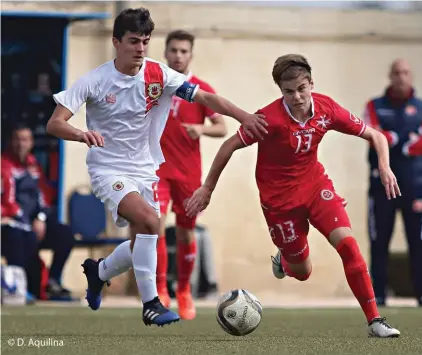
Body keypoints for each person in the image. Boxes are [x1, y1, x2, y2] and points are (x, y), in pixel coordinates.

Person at [46, 7, 267, 327]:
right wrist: (82, 134)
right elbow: (55, 124)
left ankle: (100, 271)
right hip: (109, 170)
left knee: (144, 236)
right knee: (151, 221)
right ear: (116, 42)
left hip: (145, 169)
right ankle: (151, 303)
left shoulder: (158, 74)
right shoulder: (95, 80)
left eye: (145, 42)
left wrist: (244, 117)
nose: (140, 48)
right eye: (133, 41)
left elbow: (206, 99)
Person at [186, 54, 401, 337]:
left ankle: (375, 321)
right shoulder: (268, 119)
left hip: (315, 188)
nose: (297, 96)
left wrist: (385, 167)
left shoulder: (327, 109)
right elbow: (228, 146)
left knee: (348, 245)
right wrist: (207, 188)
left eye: (302, 88)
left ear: (311, 83)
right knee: (302, 271)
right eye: (289, 91)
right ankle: (284, 260)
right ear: (280, 91)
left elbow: (377, 136)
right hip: (279, 204)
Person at [155, 30, 227, 320]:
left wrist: (202, 130)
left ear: (191, 55)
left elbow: (222, 127)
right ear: (165, 53)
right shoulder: (155, 84)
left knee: (185, 231)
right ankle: (161, 289)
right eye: (173, 50)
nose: (178, 56)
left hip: (188, 173)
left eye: (184, 51)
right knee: (154, 225)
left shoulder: (200, 88)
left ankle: (184, 290)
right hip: (157, 170)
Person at [364, 58, 422, 307]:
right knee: (379, 243)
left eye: (406, 72)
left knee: (418, 243)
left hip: (415, 188)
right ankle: (377, 296)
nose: (401, 77)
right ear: (390, 75)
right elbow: (372, 134)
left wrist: (402, 143)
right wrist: (398, 139)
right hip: (381, 189)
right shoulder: (375, 106)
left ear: (411, 76)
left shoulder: (419, 107)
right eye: (397, 72)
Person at [1, 123, 75, 301]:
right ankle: (18, 287)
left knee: (64, 234)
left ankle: (52, 281)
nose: (21, 144)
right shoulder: (4, 164)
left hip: (34, 225)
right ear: (11, 141)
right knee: (18, 236)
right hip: (12, 224)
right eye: (18, 139)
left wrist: (40, 218)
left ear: (31, 142)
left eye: (25, 140)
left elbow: (44, 197)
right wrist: (26, 223)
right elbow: (8, 201)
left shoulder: (34, 165)